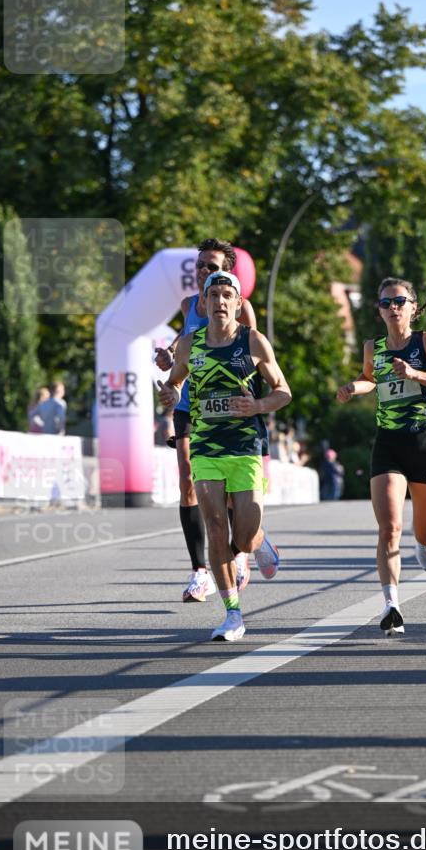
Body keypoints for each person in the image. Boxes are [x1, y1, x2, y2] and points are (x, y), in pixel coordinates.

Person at [159, 270, 291, 642]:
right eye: (213, 295)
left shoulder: (253, 341)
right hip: (206, 448)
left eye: (226, 295)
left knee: (243, 536)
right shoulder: (189, 344)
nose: (219, 301)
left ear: (237, 303)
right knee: (216, 527)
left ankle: (259, 541)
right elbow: (175, 383)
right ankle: (233, 614)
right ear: (203, 303)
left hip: (245, 447)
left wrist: (258, 405)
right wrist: (169, 394)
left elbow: (283, 392)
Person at [337, 278, 426, 635]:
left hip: (424, 444)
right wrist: (354, 387)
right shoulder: (372, 348)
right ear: (379, 310)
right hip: (388, 444)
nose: (392, 308)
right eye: (385, 303)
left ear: (412, 307)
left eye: (399, 302)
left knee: (424, 531)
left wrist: (416, 374)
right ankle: (391, 605)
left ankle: (424, 542)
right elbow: (370, 378)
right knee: (389, 528)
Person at [155, 238, 257, 603]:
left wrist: (253, 406)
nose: (203, 271)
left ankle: (239, 550)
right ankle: (200, 571)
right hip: (190, 403)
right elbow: (185, 341)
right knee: (188, 478)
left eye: (211, 267)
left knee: (226, 489)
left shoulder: (241, 307)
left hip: (227, 407)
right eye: (199, 265)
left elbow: (254, 356)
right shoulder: (188, 304)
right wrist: (169, 358)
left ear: (227, 272)